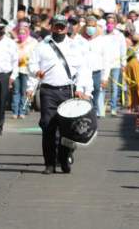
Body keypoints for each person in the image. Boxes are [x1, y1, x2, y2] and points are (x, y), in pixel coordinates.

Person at [29, 16, 93, 174]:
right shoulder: (41, 46)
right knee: (47, 126)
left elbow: (83, 70)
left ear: (67, 28)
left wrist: (82, 89)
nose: (59, 29)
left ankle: (64, 160)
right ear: (51, 27)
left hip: (67, 91)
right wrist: (35, 77)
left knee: (67, 129)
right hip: (48, 91)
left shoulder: (74, 46)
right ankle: (49, 164)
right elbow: (32, 64)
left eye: (62, 26)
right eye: (56, 26)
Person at [102, 13, 127, 116]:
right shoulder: (102, 34)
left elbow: (123, 50)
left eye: (112, 23)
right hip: (104, 64)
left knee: (115, 87)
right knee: (103, 86)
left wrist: (123, 63)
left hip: (116, 64)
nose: (110, 24)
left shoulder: (119, 35)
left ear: (116, 24)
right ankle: (101, 107)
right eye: (108, 23)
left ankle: (113, 108)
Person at [82, 15, 107, 117]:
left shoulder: (101, 41)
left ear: (96, 27)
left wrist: (104, 77)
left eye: (92, 26)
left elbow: (106, 60)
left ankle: (93, 115)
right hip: (83, 73)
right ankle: (85, 114)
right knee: (84, 96)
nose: (90, 28)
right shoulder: (80, 40)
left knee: (95, 95)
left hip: (96, 73)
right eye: (88, 25)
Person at [13, 22, 39, 119]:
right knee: (16, 91)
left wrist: (27, 59)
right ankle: (15, 111)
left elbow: (35, 56)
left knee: (25, 91)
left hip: (27, 70)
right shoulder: (14, 42)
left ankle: (23, 111)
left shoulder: (33, 42)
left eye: (24, 30)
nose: (22, 32)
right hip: (16, 70)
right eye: (20, 31)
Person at [123, 33, 139, 113]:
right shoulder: (129, 48)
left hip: (138, 65)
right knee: (130, 86)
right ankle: (131, 105)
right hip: (130, 65)